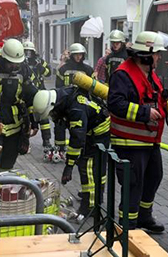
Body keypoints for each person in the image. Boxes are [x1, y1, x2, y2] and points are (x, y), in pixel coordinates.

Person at [108, 31, 168, 233]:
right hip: (129, 142)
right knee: (133, 184)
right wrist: (144, 113)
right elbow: (115, 104)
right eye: (156, 54)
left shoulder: (149, 73)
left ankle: (145, 216)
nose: (159, 57)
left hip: (149, 141)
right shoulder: (123, 75)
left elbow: (157, 100)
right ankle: (127, 226)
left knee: (154, 177)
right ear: (145, 55)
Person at [33, 85, 111, 218]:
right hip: (91, 128)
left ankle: (90, 206)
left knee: (88, 167)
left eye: (51, 112)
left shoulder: (76, 110)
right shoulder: (62, 97)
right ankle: (96, 196)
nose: (52, 116)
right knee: (92, 166)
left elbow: (77, 140)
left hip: (98, 133)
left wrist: (69, 166)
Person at [0, 38, 38, 171]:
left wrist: (34, 121)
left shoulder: (24, 70)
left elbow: (31, 96)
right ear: (4, 58)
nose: (14, 67)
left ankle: (4, 183)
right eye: (11, 63)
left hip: (15, 125)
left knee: (8, 163)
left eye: (17, 63)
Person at [54, 43, 94, 162]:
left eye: (80, 54)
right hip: (65, 102)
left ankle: (80, 150)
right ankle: (60, 150)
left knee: (79, 128)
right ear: (71, 55)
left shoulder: (88, 70)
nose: (78, 57)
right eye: (76, 54)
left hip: (81, 104)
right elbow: (58, 87)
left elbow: (92, 88)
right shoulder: (62, 69)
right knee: (60, 125)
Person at [24, 40, 54, 159]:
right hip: (27, 93)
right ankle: (25, 141)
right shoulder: (21, 62)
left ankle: (46, 140)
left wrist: (40, 67)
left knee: (44, 117)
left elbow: (48, 73)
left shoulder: (39, 61)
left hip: (40, 92)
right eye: (26, 51)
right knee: (27, 118)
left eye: (29, 51)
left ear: (33, 52)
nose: (28, 53)